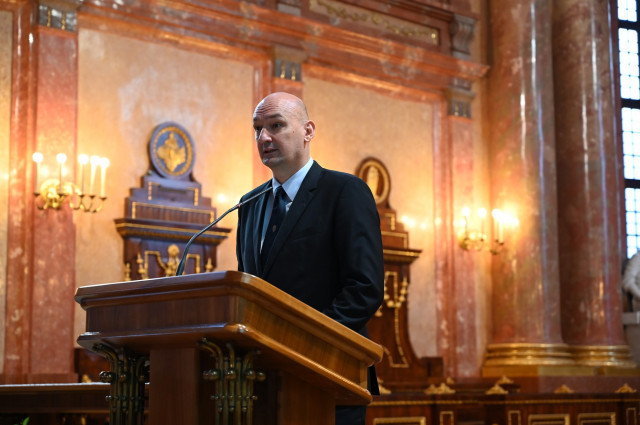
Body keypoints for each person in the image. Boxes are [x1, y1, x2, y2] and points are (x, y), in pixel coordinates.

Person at [236, 92, 385, 425]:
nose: (264, 138)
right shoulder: (248, 204)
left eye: (276, 125)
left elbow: (364, 289)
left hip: (331, 373)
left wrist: (300, 342)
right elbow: (247, 290)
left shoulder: (345, 191)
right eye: (257, 128)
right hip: (263, 379)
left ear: (308, 131)